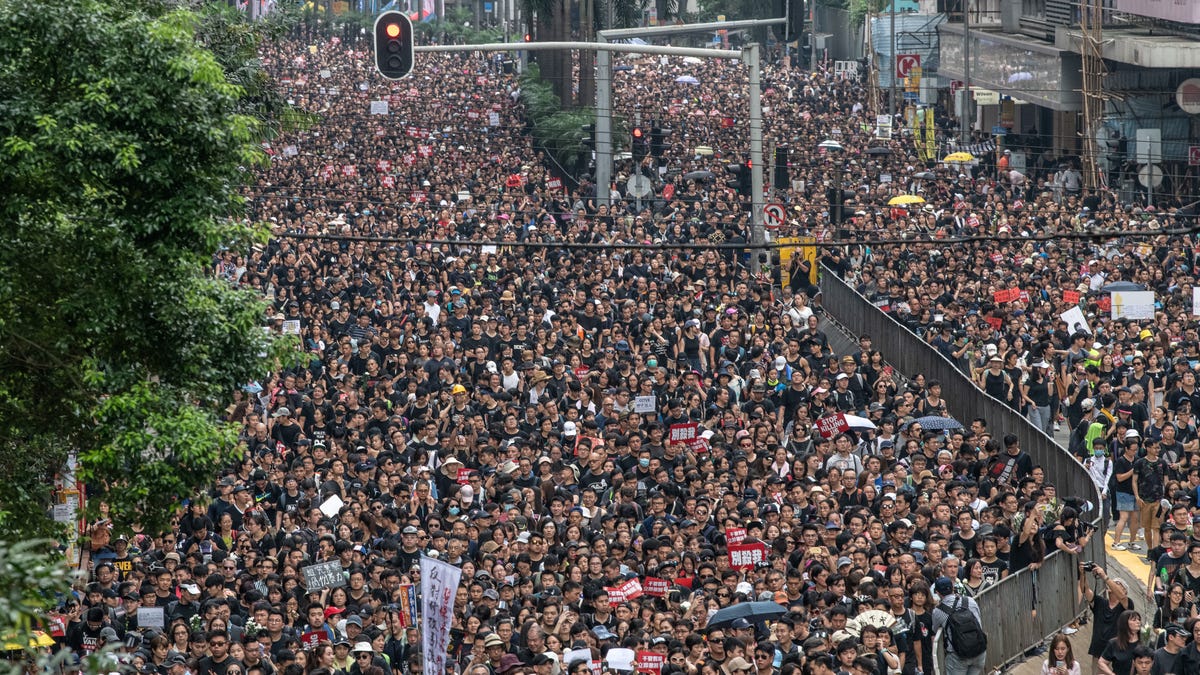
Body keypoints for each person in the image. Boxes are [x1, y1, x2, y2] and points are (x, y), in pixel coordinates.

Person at [1081, 563, 1133, 675]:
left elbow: (1122, 598)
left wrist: (1105, 577)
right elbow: (1086, 591)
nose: (1113, 585)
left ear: (1124, 591)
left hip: (1118, 652)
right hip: (1098, 651)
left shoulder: (1126, 605)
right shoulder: (1100, 602)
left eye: (1118, 584)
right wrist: (1082, 574)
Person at [931, 577, 986, 675]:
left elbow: (934, 629)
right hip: (979, 651)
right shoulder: (970, 601)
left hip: (957, 656)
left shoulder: (938, 611)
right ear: (953, 588)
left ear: (937, 592)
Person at [1098, 610, 1143, 675]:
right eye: (1134, 620)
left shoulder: (1144, 643)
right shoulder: (1114, 643)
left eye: (1139, 620)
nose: (1138, 622)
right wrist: (1112, 674)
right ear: (1125, 623)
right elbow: (1101, 662)